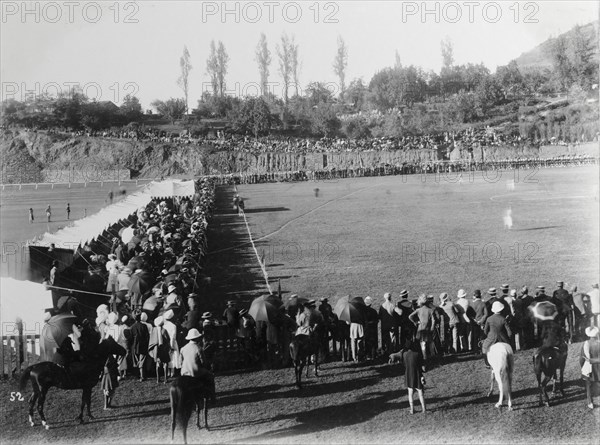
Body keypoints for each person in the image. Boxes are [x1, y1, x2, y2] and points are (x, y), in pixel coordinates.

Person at [482, 301, 512, 368]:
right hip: (502, 338)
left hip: (491, 338)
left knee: (484, 347)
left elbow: (485, 331)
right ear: (501, 310)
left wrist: (486, 335)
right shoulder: (503, 319)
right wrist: (509, 337)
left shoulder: (489, 319)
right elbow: (509, 332)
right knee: (509, 348)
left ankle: (487, 364)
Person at [409, 294, 437, 362]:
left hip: (421, 327)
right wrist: (432, 327)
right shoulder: (430, 310)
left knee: (423, 342)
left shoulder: (418, 310)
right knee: (430, 342)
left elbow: (410, 316)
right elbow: (433, 320)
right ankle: (432, 354)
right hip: (428, 327)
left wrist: (415, 322)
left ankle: (424, 356)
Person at [402, 340, 427, 414]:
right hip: (417, 374)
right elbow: (421, 366)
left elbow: (404, 365)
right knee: (420, 392)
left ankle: (412, 409)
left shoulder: (404, 354)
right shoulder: (417, 354)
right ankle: (424, 409)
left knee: (410, 393)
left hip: (408, 375)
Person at [580, 326, 600, 409]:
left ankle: (590, 402)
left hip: (589, 367)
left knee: (588, 385)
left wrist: (582, 367)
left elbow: (582, 357)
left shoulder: (586, 343)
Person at [149, 316, 171, 383]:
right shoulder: (164, 330)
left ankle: (158, 379)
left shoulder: (153, 330)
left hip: (156, 349)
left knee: (157, 364)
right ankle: (165, 379)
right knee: (165, 363)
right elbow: (168, 339)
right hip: (163, 349)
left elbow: (151, 339)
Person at [130, 313, 150, 382]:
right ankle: (142, 376)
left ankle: (137, 375)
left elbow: (131, 338)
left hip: (135, 346)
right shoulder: (144, 326)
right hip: (143, 345)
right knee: (142, 361)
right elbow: (147, 336)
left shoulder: (132, 327)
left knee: (136, 361)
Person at [379, 293, 398, 357]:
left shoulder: (382, 306)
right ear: (390, 298)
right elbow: (399, 312)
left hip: (384, 325)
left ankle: (384, 352)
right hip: (392, 325)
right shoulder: (392, 305)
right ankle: (391, 352)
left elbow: (379, 316)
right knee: (392, 340)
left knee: (384, 339)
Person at [364, 296, 379, 361]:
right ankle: (373, 355)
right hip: (373, 329)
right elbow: (377, 320)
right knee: (373, 343)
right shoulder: (374, 311)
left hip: (366, 329)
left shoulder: (363, 312)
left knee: (367, 342)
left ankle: (368, 355)